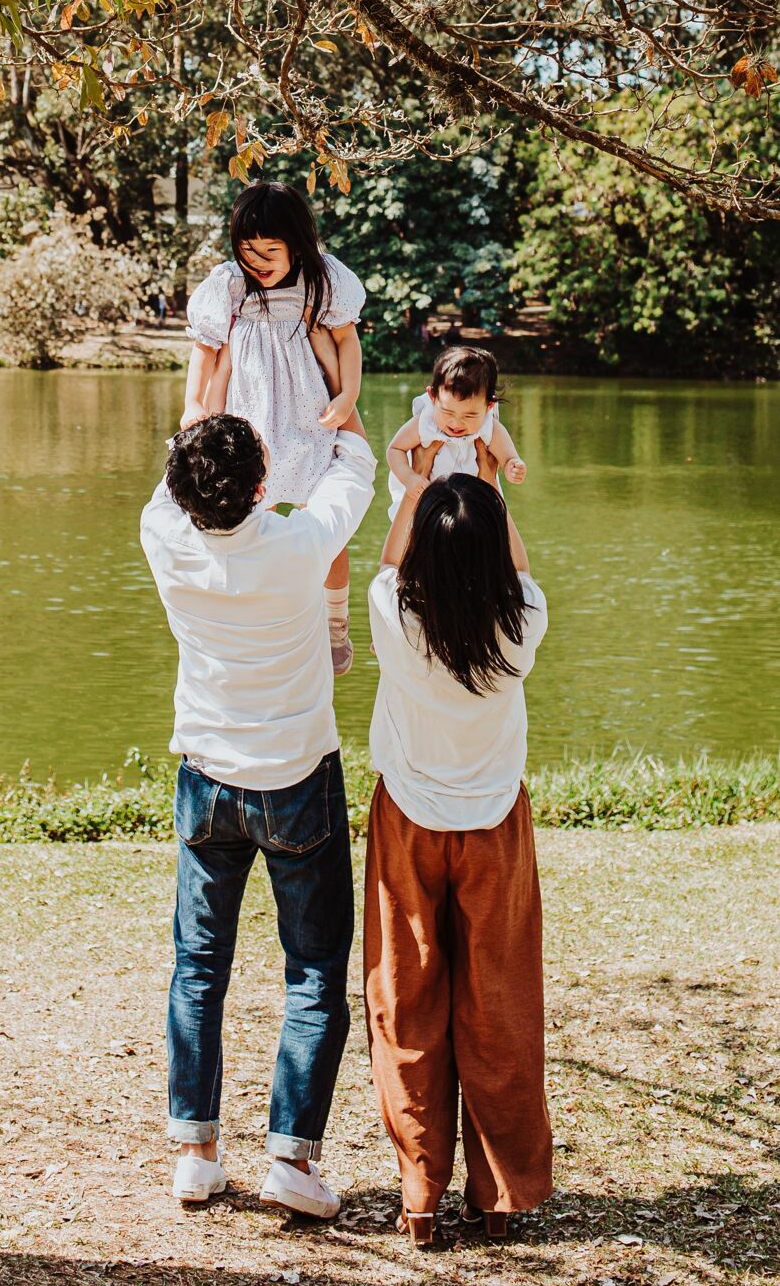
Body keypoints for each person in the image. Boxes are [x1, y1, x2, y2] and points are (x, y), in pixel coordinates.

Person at [140, 410, 377, 1219]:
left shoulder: (163, 538)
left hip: (206, 779)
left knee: (198, 968)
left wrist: (195, 420)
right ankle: (291, 1161)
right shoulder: (298, 544)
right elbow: (357, 473)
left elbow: (171, 483)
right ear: (262, 487)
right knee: (312, 972)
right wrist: (338, 419)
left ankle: (196, 1155)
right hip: (296, 782)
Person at [363, 441, 552, 1247]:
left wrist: (412, 490)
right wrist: (486, 490)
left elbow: (390, 557)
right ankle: (500, 1193)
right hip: (494, 826)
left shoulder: (397, 617)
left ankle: (419, 1194)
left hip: (407, 820)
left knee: (405, 1003)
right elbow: (513, 567)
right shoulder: (522, 623)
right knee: (499, 1005)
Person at [181, 181, 366, 675]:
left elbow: (347, 342)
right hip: (250, 419)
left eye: (270, 250)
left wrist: (348, 395)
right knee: (242, 525)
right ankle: (249, 619)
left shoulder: (322, 278)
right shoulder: (229, 285)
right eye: (247, 250)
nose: (258, 262)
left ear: (297, 243)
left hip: (308, 414)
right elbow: (205, 351)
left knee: (328, 531)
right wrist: (192, 409)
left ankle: (335, 623)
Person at [386, 345, 526, 521]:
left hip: (472, 506)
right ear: (432, 396)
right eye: (448, 413)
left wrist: (513, 467)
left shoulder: (489, 427)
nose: (457, 423)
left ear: (489, 406)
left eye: (470, 415)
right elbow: (395, 449)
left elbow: (508, 458)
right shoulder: (426, 422)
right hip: (428, 502)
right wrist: (409, 478)